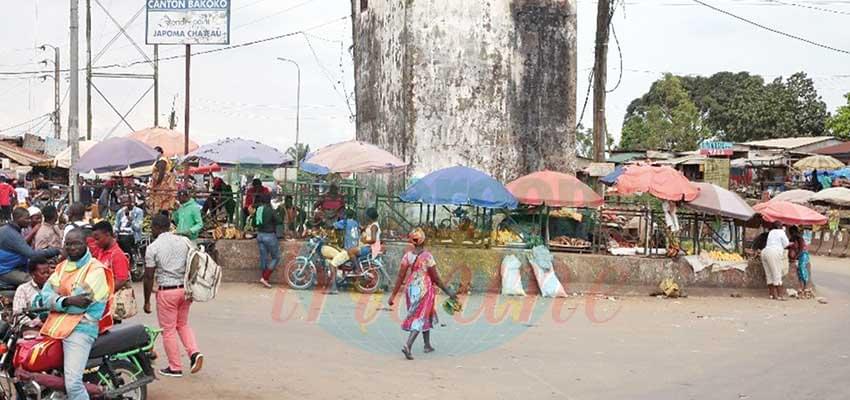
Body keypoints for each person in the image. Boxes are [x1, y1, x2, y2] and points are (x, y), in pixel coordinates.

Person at [34, 229, 113, 400]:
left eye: (76, 243)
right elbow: (44, 295)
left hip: (81, 329)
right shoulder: (62, 267)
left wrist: (57, 302)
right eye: (67, 243)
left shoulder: (96, 269)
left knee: (73, 383)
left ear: (86, 244)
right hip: (56, 326)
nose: (71, 247)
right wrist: (67, 301)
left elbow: (79, 307)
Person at [143, 214, 204, 377]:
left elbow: (148, 276)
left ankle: (175, 366)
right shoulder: (184, 241)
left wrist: (147, 300)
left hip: (166, 291)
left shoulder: (153, 248)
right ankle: (194, 352)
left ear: (155, 227)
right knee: (183, 324)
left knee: (168, 330)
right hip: (185, 289)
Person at [388, 228, 456, 360]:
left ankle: (427, 345)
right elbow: (436, 278)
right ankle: (408, 345)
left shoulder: (407, 256)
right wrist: (449, 292)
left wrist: (393, 295)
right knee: (420, 317)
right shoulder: (428, 257)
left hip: (411, 289)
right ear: (424, 240)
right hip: (424, 289)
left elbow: (400, 276)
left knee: (424, 314)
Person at [0, 207, 61, 287]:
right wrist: (54, 251)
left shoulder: (11, 230)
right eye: (26, 219)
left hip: (16, 265)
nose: (29, 221)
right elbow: (31, 254)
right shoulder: (11, 233)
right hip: (6, 270)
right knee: (36, 280)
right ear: (18, 219)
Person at [12, 257, 52, 331]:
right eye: (43, 273)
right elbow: (18, 315)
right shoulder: (23, 289)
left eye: (48, 272)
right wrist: (37, 324)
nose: (47, 276)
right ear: (32, 274)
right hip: (32, 329)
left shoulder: (54, 287)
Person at [251, 194, 282, 288]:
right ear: (268, 201)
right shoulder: (270, 210)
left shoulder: (259, 210)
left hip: (260, 235)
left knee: (263, 258)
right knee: (276, 257)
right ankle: (265, 278)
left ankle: (265, 278)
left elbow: (254, 223)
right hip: (269, 236)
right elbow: (279, 220)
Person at [90, 221, 131, 292]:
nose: (95, 242)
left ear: (107, 235)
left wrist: (102, 292)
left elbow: (121, 281)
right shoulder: (101, 251)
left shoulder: (117, 255)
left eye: (97, 239)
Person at [328, 209, 361, 294]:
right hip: (355, 247)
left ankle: (334, 288)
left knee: (332, 264)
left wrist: (327, 224)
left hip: (349, 250)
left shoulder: (345, 222)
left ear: (345, 215)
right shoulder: (355, 223)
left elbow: (333, 225)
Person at [760, 221, 790, 300]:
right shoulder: (781, 232)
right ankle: (780, 295)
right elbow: (786, 244)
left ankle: (771, 295)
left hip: (764, 252)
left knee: (769, 274)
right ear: (780, 226)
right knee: (777, 273)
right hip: (774, 252)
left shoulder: (771, 232)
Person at [149, 146, 177, 215]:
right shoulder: (163, 159)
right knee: (164, 203)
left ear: (160, 152)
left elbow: (161, 174)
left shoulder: (162, 160)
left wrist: (156, 186)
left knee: (160, 202)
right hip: (165, 184)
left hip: (162, 185)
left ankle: (160, 217)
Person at [788, 226, 812, 295]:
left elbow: (801, 248)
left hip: (803, 254)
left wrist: (796, 256)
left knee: (802, 269)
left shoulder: (799, 238)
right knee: (799, 271)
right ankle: (801, 287)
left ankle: (806, 286)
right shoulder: (792, 238)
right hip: (798, 256)